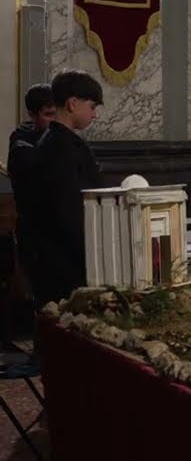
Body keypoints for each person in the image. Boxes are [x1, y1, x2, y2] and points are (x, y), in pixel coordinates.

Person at [29, 71, 105, 306]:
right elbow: (68, 208)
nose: (94, 114)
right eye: (92, 106)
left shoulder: (57, 141)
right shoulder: (61, 148)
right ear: (73, 103)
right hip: (64, 259)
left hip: (56, 254)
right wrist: (94, 251)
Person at [10, 84, 56, 311]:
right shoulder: (21, 142)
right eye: (48, 115)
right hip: (33, 226)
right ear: (32, 114)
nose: (53, 121)